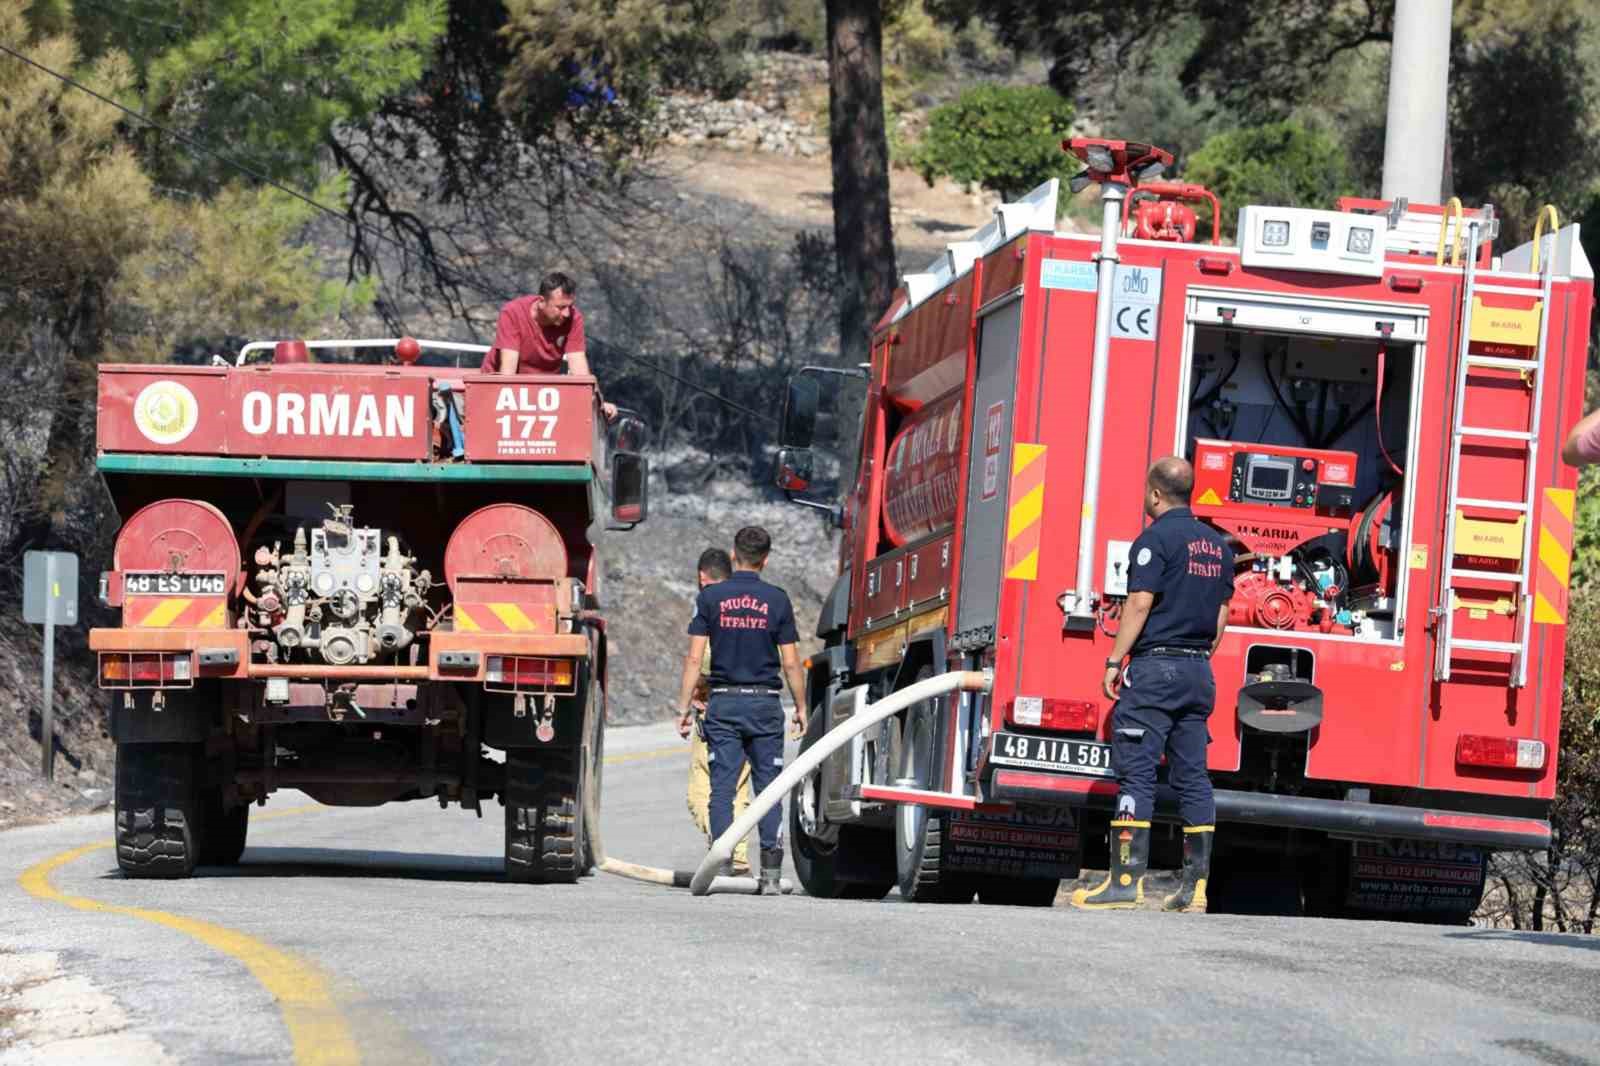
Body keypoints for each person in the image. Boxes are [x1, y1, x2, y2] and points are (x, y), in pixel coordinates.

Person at [1071, 456, 1234, 913]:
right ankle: (1194, 890)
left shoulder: (1154, 541)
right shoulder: (1217, 547)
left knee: (1137, 773)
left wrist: (1114, 659)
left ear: (1156, 494)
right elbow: (1222, 615)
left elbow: (1139, 604)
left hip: (1156, 671)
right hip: (1199, 671)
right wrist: (1196, 658)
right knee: (1194, 779)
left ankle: (1124, 883)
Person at [675, 526, 807, 894]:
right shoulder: (777, 600)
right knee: (769, 787)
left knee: (722, 787)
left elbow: (694, 657)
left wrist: (683, 708)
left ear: (734, 556)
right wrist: (801, 706)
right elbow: (792, 663)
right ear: (765, 559)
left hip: (724, 702)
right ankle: (769, 874)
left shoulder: (712, 598)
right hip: (765, 703)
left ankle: (723, 866)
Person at [679, 547, 754, 875]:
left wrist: (690, 697)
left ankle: (723, 847)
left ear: (702, 579)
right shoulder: (757, 605)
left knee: (702, 791)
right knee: (738, 787)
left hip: (716, 711)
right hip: (754, 707)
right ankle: (736, 856)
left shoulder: (709, 606)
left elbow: (699, 659)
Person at [482, 271, 616, 421]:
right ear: (541, 301)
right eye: (560, 307)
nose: (566, 313)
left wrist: (598, 404)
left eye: (569, 306)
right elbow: (508, 373)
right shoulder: (512, 312)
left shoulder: (573, 318)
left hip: (543, 395)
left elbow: (579, 368)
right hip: (499, 393)